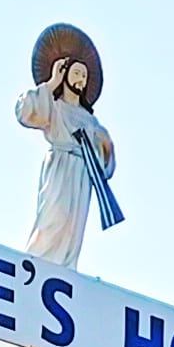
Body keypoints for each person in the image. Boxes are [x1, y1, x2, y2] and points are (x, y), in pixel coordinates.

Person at [16, 25, 116, 270]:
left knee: (73, 226)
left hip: (81, 174)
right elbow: (26, 112)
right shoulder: (55, 106)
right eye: (77, 73)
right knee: (54, 218)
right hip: (60, 168)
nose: (81, 80)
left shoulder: (90, 120)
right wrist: (51, 84)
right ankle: (37, 265)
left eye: (84, 76)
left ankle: (65, 269)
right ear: (65, 72)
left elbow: (105, 163)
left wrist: (105, 145)